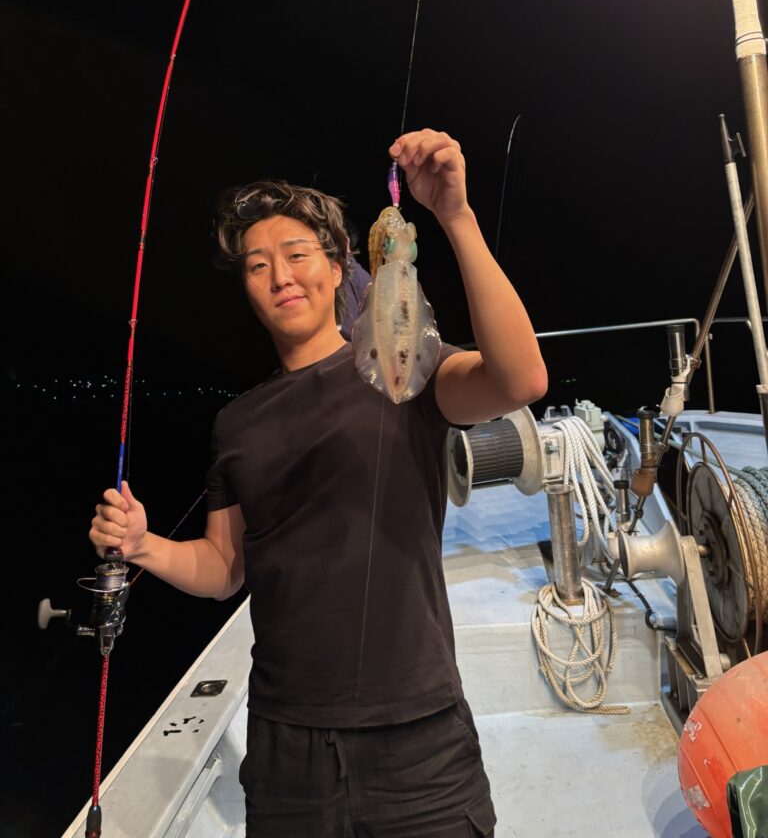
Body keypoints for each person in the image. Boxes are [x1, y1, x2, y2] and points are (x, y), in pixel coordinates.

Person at [90, 128, 548, 838]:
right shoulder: (238, 423)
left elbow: (520, 380)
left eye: (298, 255)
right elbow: (224, 567)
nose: (280, 277)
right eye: (258, 265)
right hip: (286, 746)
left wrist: (455, 216)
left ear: (338, 269)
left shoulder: (402, 367)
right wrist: (146, 545)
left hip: (417, 735)